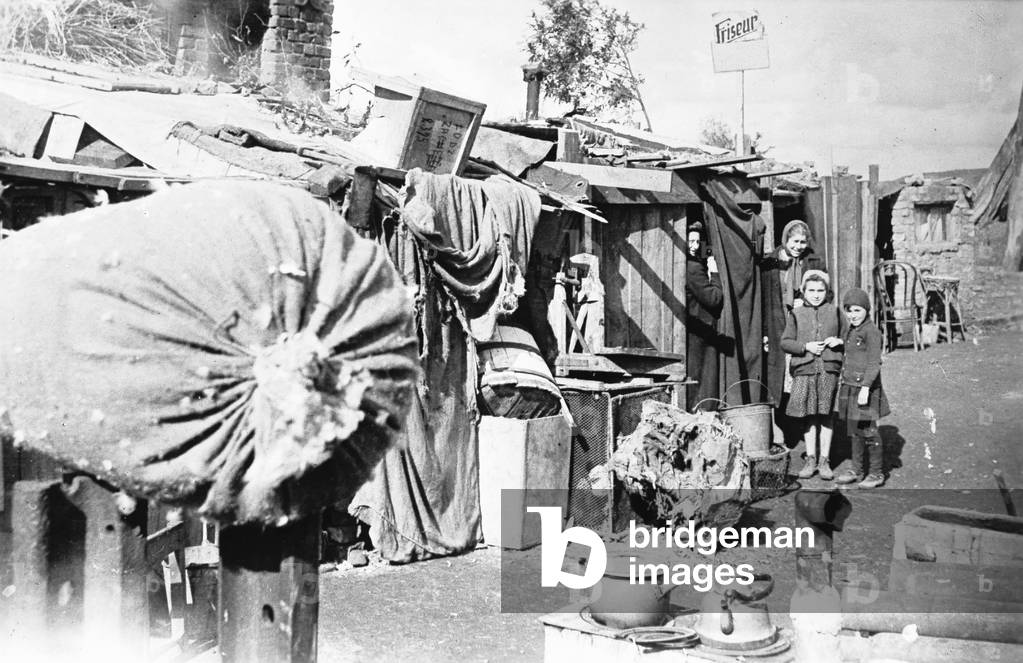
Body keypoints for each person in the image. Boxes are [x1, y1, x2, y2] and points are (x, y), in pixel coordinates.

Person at [763, 219, 828, 445]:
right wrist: (764, 332)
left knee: (802, 376)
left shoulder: (813, 262)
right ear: (785, 240)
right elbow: (764, 300)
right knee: (779, 378)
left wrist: (808, 303)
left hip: (804, 328)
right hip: (778, 325)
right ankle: (780, 428)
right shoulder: (771, 262)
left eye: (803, 242)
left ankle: (803, 426)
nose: (799, 246)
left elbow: (826, 293)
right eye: (795, 241)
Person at [780, 271, 844, 480]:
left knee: (826, 415)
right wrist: (805, 346)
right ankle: (811, 459)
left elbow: (849, 335)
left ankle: (824, 461)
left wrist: (840, 341)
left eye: (821, 290)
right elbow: (785, 342)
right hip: (805, 370)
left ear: (827, 292)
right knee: (809, 416)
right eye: (812, 290)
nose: (816, 295)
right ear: (804, 291)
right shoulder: (796, 314)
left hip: (828, 370)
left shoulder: (835, 312)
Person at [834, 287, 891, 489]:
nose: (853, 315)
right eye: (849, 311)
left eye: (857, 310)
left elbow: (874, 363)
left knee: (869, 430)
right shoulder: (851, 330)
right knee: (854, 430)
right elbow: (852, 349)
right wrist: (838, 342)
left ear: (867, 310)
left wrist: (866, 388)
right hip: (850, 385)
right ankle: (856, 469)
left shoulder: (872, 332)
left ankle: (876, 473)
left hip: (865, 388)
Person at [685, 222, 723, 410]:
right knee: (704, 374)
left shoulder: (689, 264)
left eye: (697, 242)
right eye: (690, 241)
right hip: (701, 327)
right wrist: (714, 273)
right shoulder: (692, 268)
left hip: (694, 327)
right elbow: (713, 298)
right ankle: (703, 412)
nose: (694, 246)